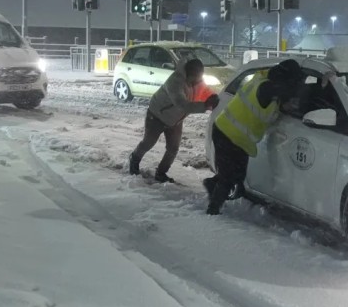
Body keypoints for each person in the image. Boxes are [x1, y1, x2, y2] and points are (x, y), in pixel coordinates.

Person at [204, 59, 303, 214]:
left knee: (237, 174)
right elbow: (289, 92)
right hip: (227, 133)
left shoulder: (264, 79)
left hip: (233, 135)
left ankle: (211, 185)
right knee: (228, 176)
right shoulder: (268, 88)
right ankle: (213, 210)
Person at [129, 58, 220, 182]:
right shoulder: (175, 82)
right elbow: (183, 105)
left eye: (199, 78)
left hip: (175, 120)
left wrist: (214, 98)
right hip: (157, 116)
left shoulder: (197, 81)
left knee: (173, 148)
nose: (198, 81)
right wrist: (205, 105)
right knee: (148, 143)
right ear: (188, 74)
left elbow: (205, 91)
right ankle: (134, 159)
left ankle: (161, 173)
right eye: (195, 78)